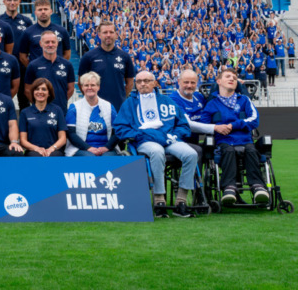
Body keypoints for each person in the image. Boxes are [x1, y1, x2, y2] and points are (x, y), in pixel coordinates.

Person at [114, 71, 199, 216]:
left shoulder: (167, 101)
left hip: (169, 139)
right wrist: (139, 135)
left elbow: (183, 125)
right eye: (139, 81)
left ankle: (181, 200)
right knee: (157, 151)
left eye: (147, 81)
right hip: (144, 141)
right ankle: (159, 198)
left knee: (191, 154)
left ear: (154, 83)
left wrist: (174, 135)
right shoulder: (129, 103)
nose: (142, 84)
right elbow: (120, 128)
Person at [199, 68, 269, 206]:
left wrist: (233, 125)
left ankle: (258, 187)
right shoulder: (211, 104)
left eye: (235, 78)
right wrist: (216, 128)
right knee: (228, 150)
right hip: (223, 142)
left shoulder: (244, 100)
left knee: (251, 150)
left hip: (245, 140)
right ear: (218, 81)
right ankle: (229, 189)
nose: (232, 79)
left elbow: (254, 120)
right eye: (228, 76)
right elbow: (204, 124)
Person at [78, 21, 135, 111]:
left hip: (118, 108)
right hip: (95, 108)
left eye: (111, 32)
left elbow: (130, 83)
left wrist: (120, 97)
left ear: (116, 35)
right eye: (105, 32)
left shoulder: (125, 57)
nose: (108, 35)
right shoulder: (88, 57)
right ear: (99, 35)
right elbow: (80, 83)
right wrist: (91, 98)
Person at [65, 72, 118, 157]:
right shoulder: (74, 107)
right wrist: (88, 148)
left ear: (98, 87)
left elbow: (117, 131)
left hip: (105, 148)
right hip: (82, 148)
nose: (89, 88)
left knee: (108, 158)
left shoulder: (108, 106)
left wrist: (107, 147)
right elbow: (71, 134)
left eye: (93, 85)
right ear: (82, 87)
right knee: (90, 157)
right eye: (86, 85)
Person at [23, 31, 75, 110]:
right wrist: (39, 105)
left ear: (57, 43)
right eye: (47, 42)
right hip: (40, 113)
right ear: (41, 44)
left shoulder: (67, 65)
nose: (50, 45)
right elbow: (27, 90)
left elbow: (71, 89)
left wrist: (61, 102)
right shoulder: (33, 65)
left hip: (61, 111)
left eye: (53, 42)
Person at [19, 78, 66, 157]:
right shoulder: (25, 112)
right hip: (33, 151)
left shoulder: (57, 110)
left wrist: (52, 148)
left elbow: (63, 138)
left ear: (49, 93)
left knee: (54, 157)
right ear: (33, 92)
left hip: (54, 151)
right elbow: (23, 140)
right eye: (37, 89)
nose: (40, 92)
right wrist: (36, 148)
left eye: (44, 89)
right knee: (36, 157)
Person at [17, 0, 70, 68]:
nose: (43, 12)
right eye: (40, 9)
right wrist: (34, 69)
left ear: (51, 11)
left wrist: (58, 67)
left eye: (45, 9)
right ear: (35, 12)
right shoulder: (28, 32)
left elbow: (67, 53)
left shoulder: (62, 31)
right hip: (37, 77)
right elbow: (22, 56)